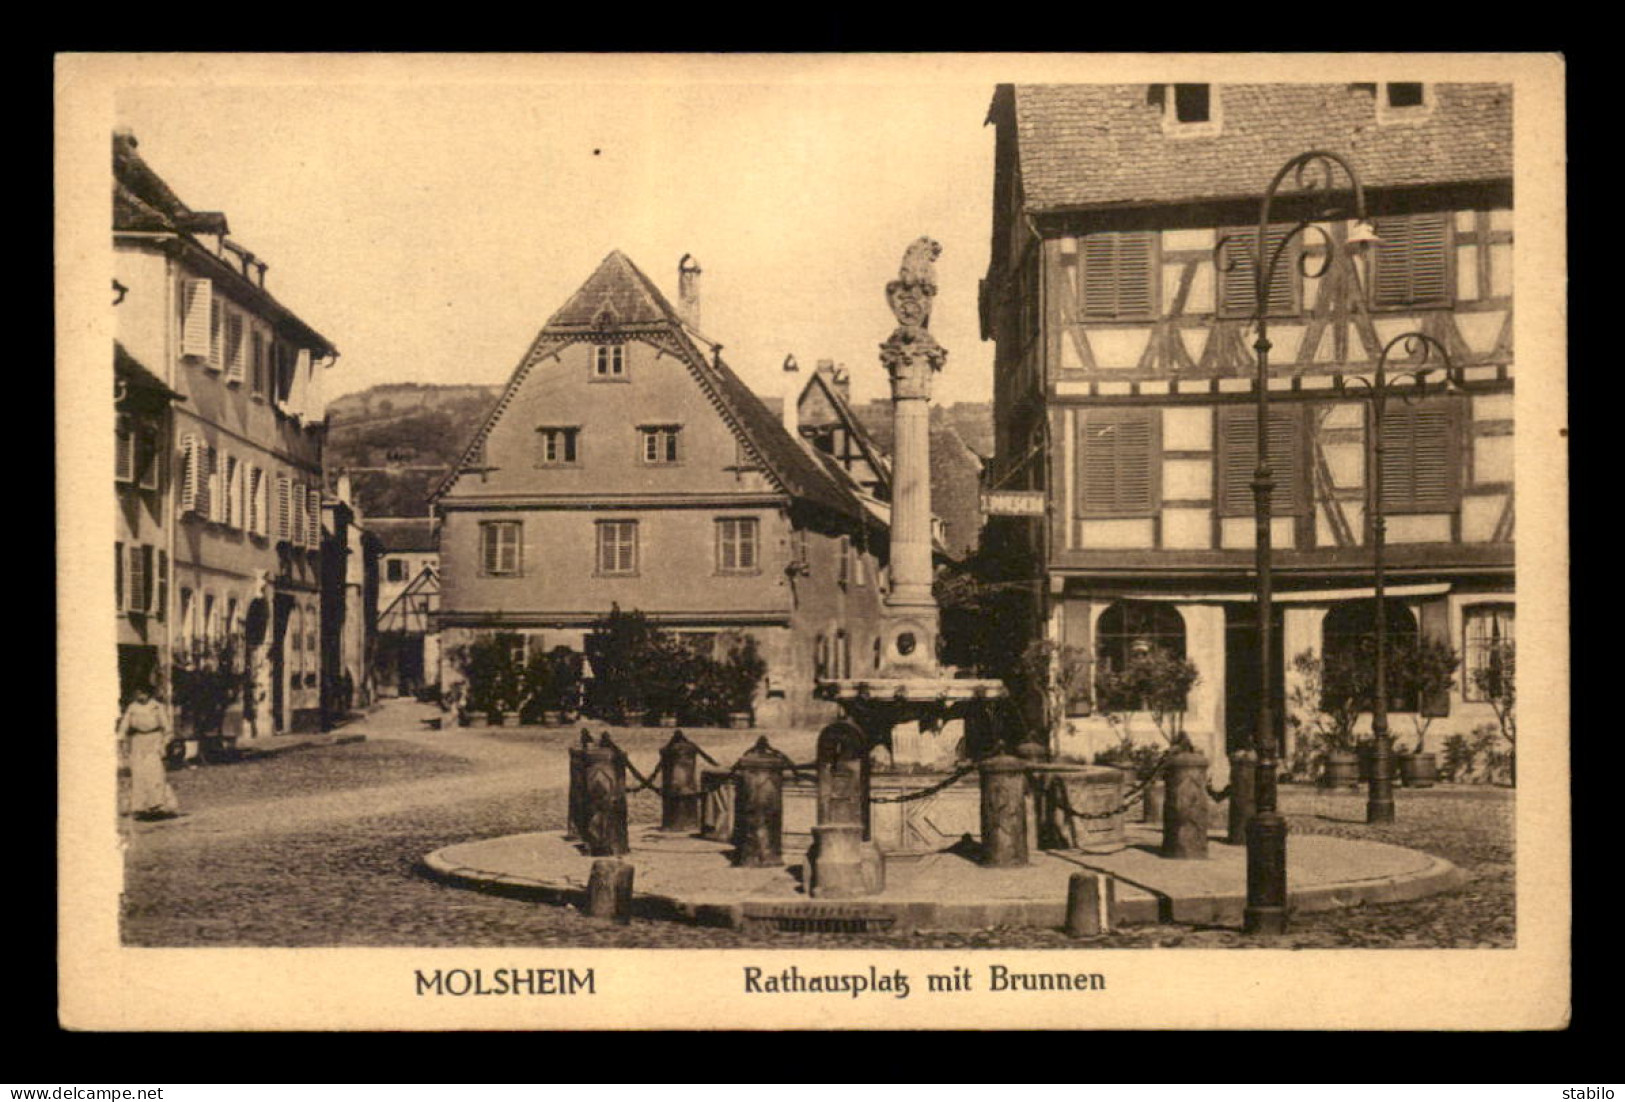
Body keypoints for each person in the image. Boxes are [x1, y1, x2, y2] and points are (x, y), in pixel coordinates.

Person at [118, 681, 180, 820]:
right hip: (138, 742)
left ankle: (158, 805)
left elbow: (167, 728)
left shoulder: (157, 707)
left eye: (143, 693)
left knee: (154, 773)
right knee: (139, 773)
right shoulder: (132, 708)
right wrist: (121, 738)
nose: (140, 696)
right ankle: (140, 807)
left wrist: (164, 743)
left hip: (154, 740)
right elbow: (124, 725)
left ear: (148, 694)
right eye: (138, 693)